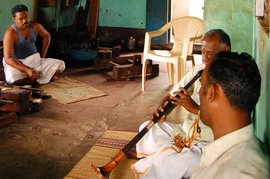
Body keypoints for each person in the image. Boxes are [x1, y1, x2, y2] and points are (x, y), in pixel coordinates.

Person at [131, 29, 231, 178]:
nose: (205, 57)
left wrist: (194, 108)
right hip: (184, 133)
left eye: (209, 52)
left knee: (189, 160)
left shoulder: (231, 79)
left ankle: (166, 157)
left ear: (225, 50)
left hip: (208, 142)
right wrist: (163, 109)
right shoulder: (199, 71)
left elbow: (226, 121)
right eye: (202, 52)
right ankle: (169, 157)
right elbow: (173, 94)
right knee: (146, 127)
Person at [191, 51, 269, 178]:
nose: (199, 91)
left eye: (202, 84)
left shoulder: (234, 174)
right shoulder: (247, 151)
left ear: (212, 92)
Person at [3, 4, 65, 85]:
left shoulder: (36, 26)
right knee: (12, 77)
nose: (25, 20)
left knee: (60, 65)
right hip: (19, 64)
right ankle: (38, 78)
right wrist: (27, 70)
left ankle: (33, 78)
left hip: (36, 62)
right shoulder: (10, 32)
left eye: (26, 17)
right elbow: (8, 58)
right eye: (20, 19)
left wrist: (43, 55)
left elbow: (47, 36)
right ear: (14, 19)